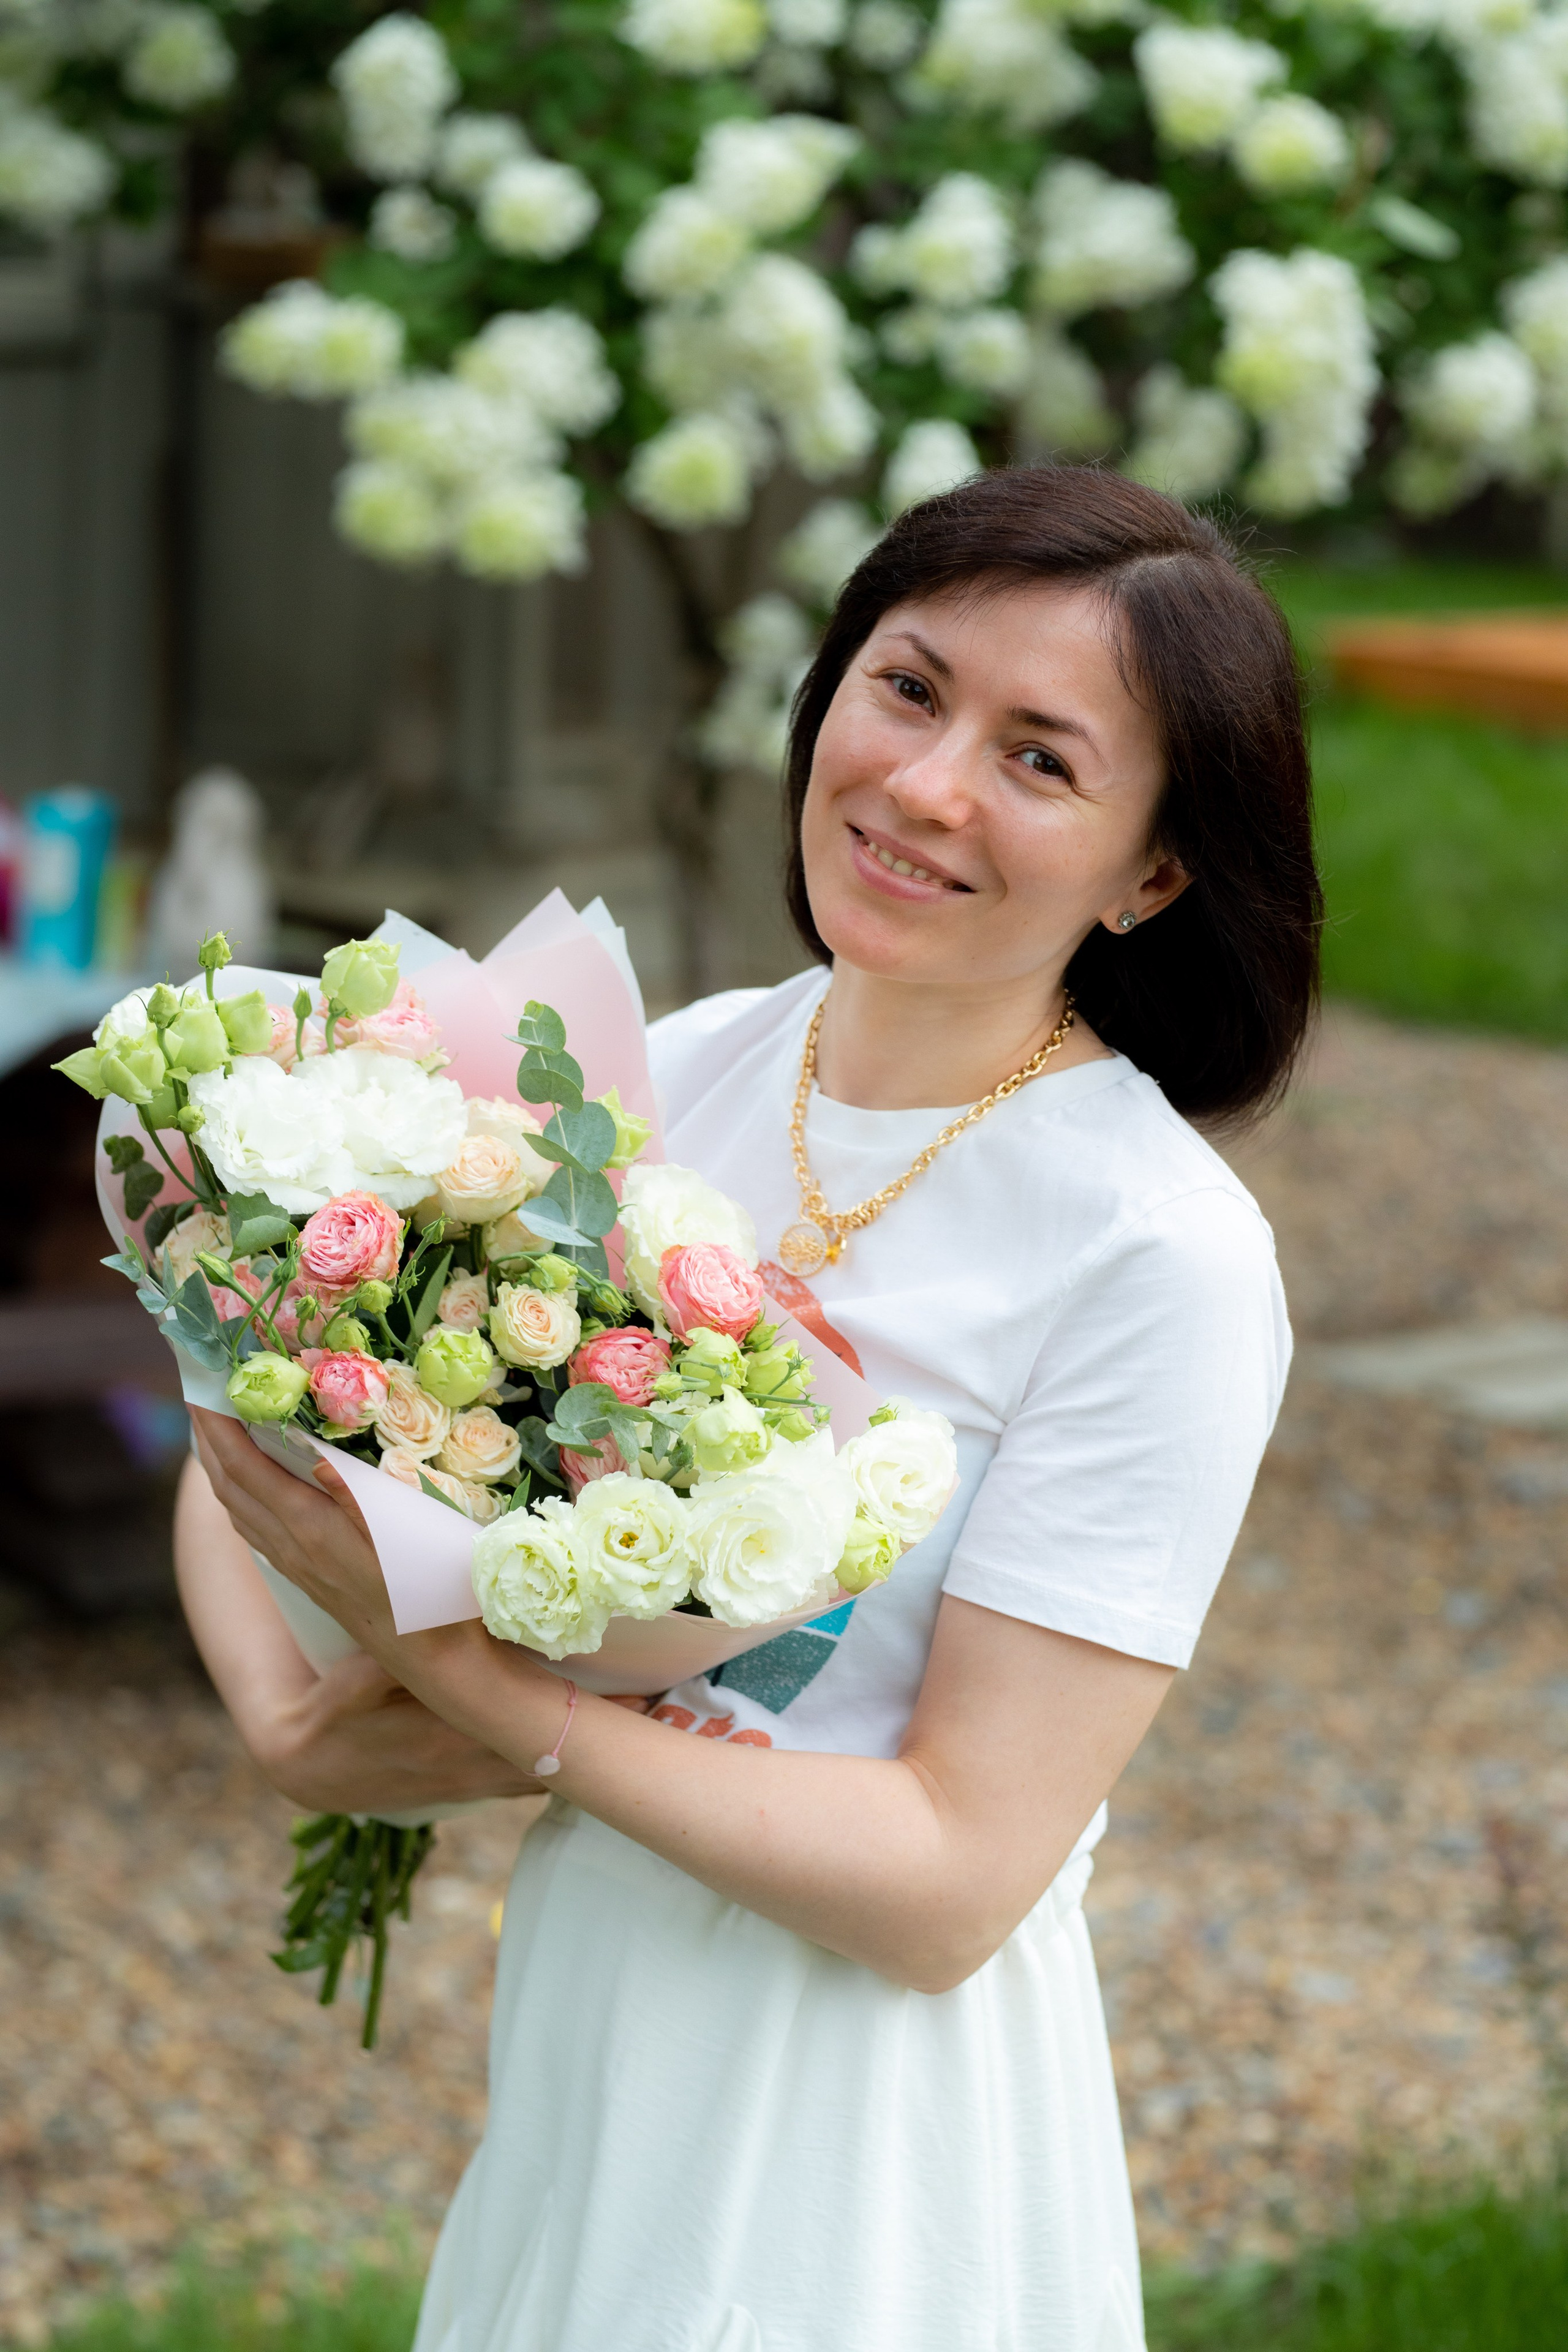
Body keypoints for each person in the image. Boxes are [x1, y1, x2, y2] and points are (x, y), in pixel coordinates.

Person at [183, 464, 1318, 2352]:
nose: (931, 785)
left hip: (862, 2123)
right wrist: (300, 1708)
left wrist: (470, 1682)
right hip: (595, 2007)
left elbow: (956, 1878)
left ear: (1154, 870)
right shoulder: (672, 1072)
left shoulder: (1159, 1253)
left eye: (1043, 761)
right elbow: (278, 1402)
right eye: (910, 687)